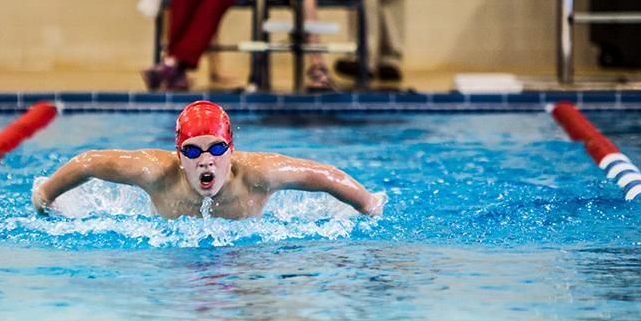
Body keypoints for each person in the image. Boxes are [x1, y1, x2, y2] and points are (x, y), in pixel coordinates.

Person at [32, 100, 385, 220]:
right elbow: (89, 162)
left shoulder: (259, 175)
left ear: (231, 151)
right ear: (178, 155)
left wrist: (369, 205)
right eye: (193, 151)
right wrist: (45, 196)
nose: (206, 161)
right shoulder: (154, 173)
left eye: (216, 149)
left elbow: (324, 175)